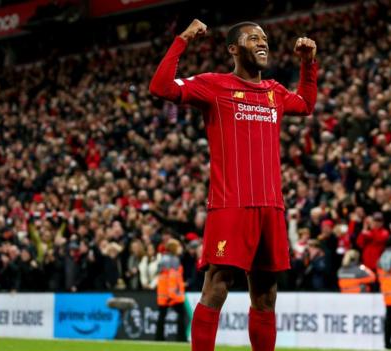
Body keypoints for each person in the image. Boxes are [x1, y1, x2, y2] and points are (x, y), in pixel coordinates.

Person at [149, 19, 317, 351]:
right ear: (233, 49)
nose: (262, 43)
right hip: (231, 204)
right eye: (253, 38)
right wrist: (182, 39)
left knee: (266, 294)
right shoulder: (214, 85)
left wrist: (308, 64)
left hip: (271, 206)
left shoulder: (274, 92)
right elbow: (161, 87)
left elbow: (307, 105)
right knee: (217, 285)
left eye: (265, 38)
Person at [155, 239, 187, 342]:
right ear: (174, 248)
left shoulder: (163, 259)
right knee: (181, 314)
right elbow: (172, 278)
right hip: (172, 294)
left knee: (162, 316)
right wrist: (172, 294)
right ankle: (181, 338)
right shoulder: (173, 260)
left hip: (162, 293)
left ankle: (159, 338)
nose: (180, 248)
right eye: (178, 246)